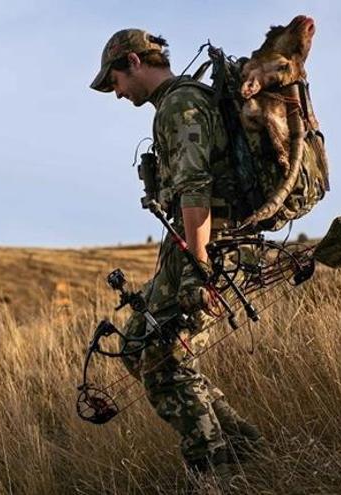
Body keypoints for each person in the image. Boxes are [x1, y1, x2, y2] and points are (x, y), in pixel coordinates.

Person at [89, 29, 263, 479]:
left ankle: (218, 477)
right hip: (195, 246)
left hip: (212, 248)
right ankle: (249, 450)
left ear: (132, 61)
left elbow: (194, 188)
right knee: (136, 347)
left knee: (164, 366)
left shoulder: (179, 104)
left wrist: (200, 270)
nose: (117, 94)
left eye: (115, 82)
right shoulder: (177, 102)